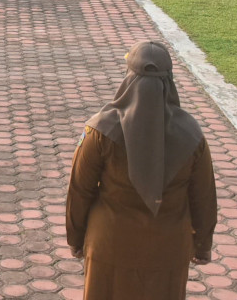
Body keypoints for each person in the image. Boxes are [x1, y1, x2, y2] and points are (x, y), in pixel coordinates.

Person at [66, 40, 216, 299]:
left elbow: (79, 191)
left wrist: (76, 238)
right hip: (168, 250)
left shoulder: (100, 130)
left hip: (109, 245)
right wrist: (202, 245)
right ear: (169, 80)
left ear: (129, 78)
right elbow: (204, 197)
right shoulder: (191, 136)